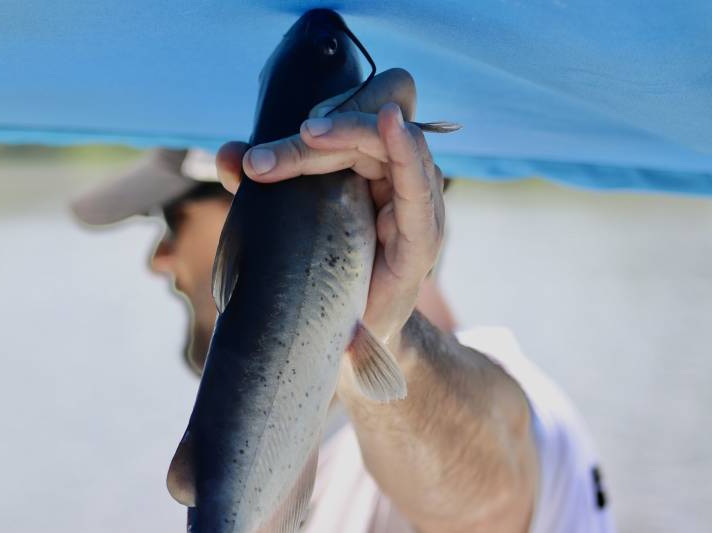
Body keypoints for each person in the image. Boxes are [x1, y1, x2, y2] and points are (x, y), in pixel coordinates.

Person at [72, 69, 614, 533]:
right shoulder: (279, 458)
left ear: (263, 198)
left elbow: (491, 497)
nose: (158, 259)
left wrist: (382, 333)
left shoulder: (516, 416)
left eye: (170, 218)